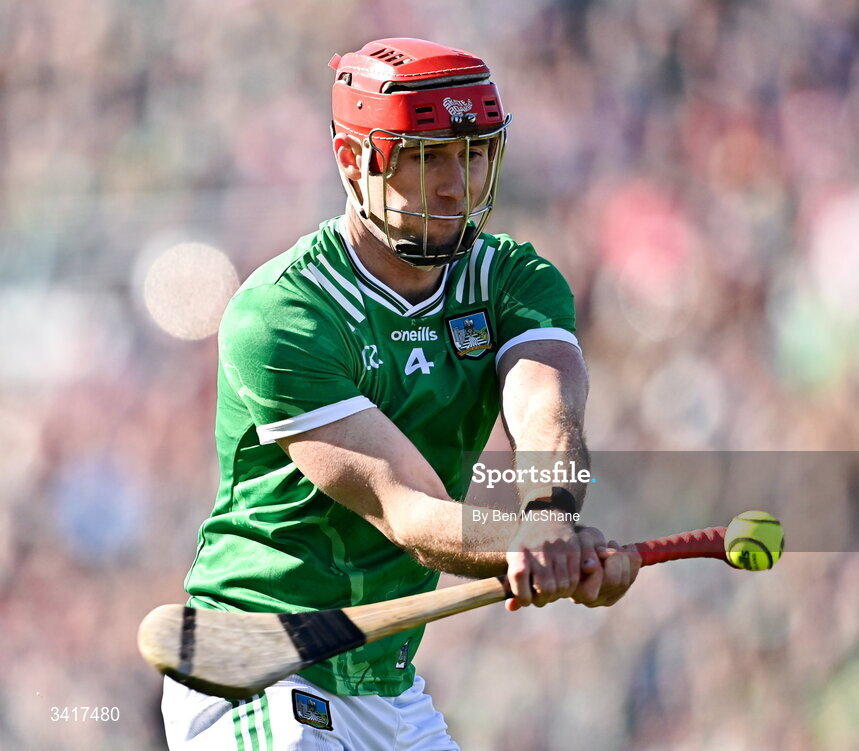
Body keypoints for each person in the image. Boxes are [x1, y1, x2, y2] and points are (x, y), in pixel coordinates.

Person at [161, 37, 641, 750]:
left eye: (473, 153)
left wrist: (552, 516)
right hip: (261, 664)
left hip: (385, 682)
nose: (457, 185)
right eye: (427, 158)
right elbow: (408, 509)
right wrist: (526, 540)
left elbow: (546, 406)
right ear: (356, 161)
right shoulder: (284, 315)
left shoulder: (515, 281)